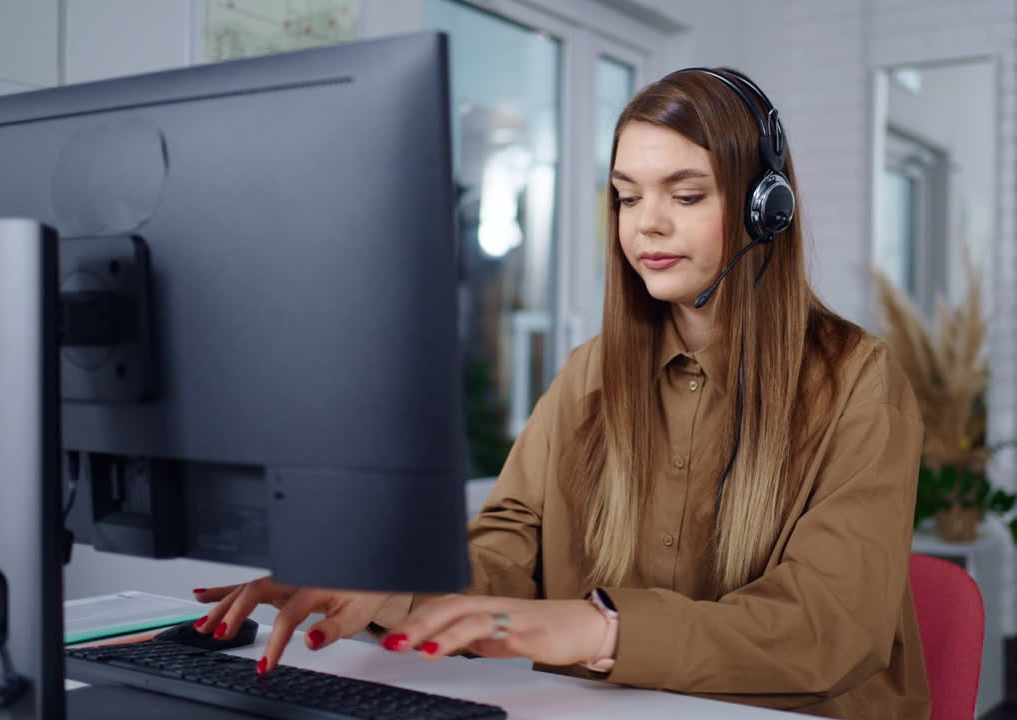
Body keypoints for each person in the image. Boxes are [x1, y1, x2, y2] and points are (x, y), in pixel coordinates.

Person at [192, 67, 930, 719]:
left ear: (765, 208)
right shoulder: (590, 375)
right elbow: (506, 553)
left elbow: (827, 626)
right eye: (627, 195)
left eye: (686, 193)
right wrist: (378, 587)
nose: (647, 224)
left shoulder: (858, 383)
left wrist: (599, 628)